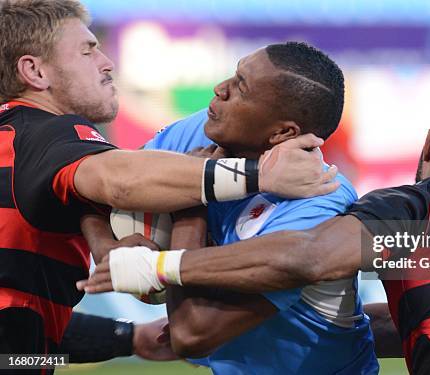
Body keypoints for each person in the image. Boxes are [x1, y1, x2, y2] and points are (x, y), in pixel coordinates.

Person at [83, 91, 430, 374]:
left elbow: (308, 257)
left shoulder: (415, 207)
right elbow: (414, 324)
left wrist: (159, 264)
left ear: (429, 144)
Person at [0, 0, 335, 359]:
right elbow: (122, 180)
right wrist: (259, 176)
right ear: (35, 72)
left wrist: (126, 337)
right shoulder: (44, 133)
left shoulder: (17, 144)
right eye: (88, 51)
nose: (107, 62)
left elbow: (22, 349)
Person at [83, 41, 378, 374]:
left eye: (242, 87)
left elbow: (192, 333)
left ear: (282, 132)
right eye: (233, 74)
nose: (220, 89)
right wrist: (110, 251)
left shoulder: (317, 206)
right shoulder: (208, 128)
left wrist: (191, 201)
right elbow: (95, 185)